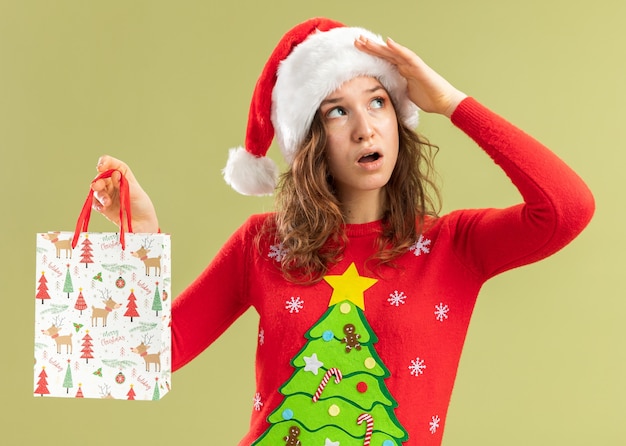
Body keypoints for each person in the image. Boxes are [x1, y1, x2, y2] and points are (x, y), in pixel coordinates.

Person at [90, 17, 594, 446]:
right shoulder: (264, 245)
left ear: (398, 117)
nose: (365, 128)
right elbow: (139, 356)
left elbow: (567, 208)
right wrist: (141, 236)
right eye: (338, 111)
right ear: (311, 139)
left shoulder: (453, 246)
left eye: (377, 101)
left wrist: (450, 101)